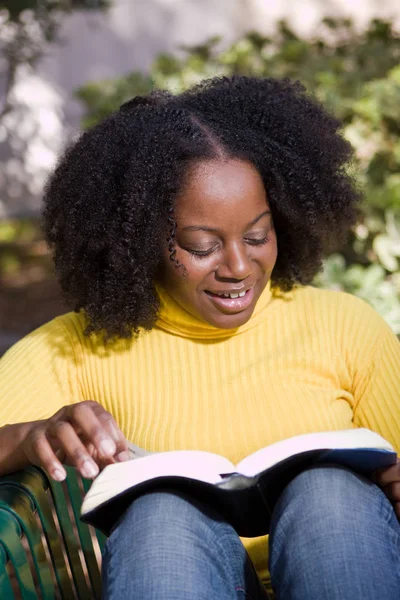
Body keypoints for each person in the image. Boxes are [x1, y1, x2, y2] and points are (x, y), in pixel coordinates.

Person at [0, 76, 399, 600]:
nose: (239, 267)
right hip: (178, 571)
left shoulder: (345, 327)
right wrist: (30, 436)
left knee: (330, 493)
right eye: (202, 245)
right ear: (139, 237)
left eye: (258, 236)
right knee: (161, 514)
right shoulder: (73, 350)